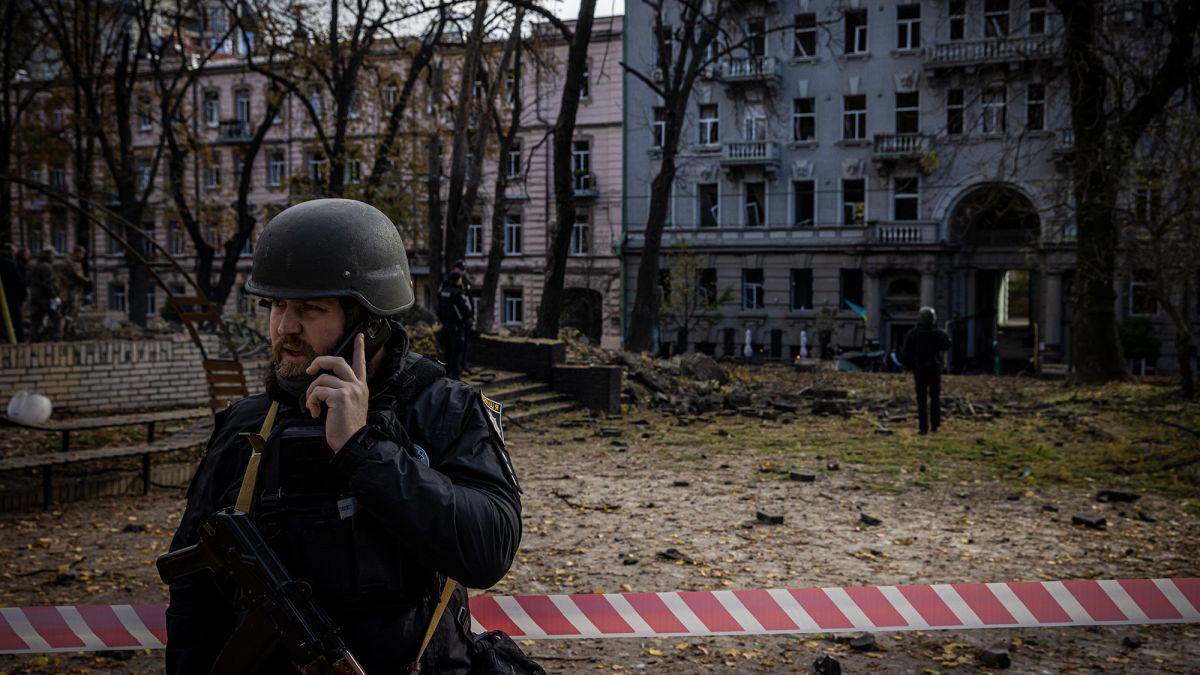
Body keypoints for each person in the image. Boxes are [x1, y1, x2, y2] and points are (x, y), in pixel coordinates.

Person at [165, 199, 522, 674]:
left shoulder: (444, 409)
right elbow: (194, 596)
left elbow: (488, 550)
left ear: (369, 322)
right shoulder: (247, 424)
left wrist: (362, 450)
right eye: (277, 306)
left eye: (309, 309)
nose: (284, 328)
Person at [902, 306, 952, 435]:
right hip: (934, 368)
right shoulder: (938, 334)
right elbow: (947, 345)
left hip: (919, 369)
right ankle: (935, 425)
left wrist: (908, 367)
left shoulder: (913, 334)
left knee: (921, 399)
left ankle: (923, 427)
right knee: (935, 397)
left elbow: (906, 352)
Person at [437, 270, 474, 380]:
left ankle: (448, 372)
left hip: (446, 325)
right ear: (458, 280)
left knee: (448, 350)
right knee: (456, 350)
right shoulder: (457, 293)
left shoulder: (444, 291)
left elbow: (439, 308)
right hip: (456, 326)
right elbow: (464, 309)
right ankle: (454, 374)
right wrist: (469, 316)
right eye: (461, 279)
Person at [56, 245, 90, 338]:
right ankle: (66, 330)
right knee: (71, 309)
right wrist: (86, 280)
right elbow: (77, 275)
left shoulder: (75, 262)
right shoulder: (70, 262)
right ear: (77, 252)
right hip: (70, 290)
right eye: (82, 253)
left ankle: (69, 328)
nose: (83, 256)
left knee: (73, 309)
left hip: (74, 289)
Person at [28, 247, 61, 341]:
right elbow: (48, 283)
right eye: (53, 255)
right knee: (56, 318)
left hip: (36, 297)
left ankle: (34, 340)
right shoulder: (47, 267)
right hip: (46, 299)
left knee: (36, 321)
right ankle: (56, 339)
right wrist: (54, 296)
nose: (54, 257)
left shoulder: (36, 266)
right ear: (49, 255)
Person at [0, 243, 28, 342]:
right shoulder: (11, 263)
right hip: (12, 295)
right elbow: (18, 281)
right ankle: (18, 340)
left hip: (5, 295)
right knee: (16, 319)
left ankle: (4, 337)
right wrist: (24, 293)